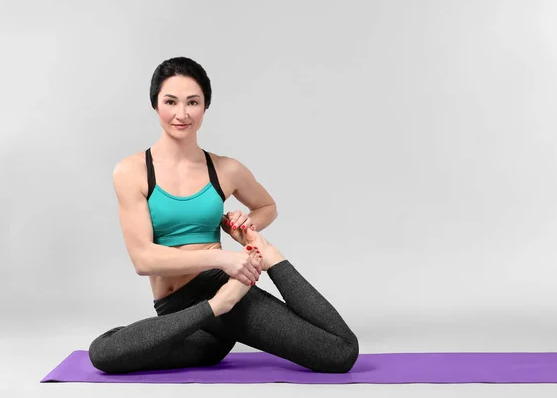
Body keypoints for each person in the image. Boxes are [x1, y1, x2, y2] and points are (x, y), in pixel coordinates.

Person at [87, 57, 359, 374]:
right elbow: (143, 259)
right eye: (170, 102)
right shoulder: (132, 171)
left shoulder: (225, 169)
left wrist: (248, 231)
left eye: (193, 102)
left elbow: (266, 206)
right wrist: (221, 264)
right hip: (185, 309)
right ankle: (219, 307)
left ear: (205, 107)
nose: (181, 113)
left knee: (339, 353)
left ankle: (269, 258)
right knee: (103, 354)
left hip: (223, 287)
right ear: (155, 104)